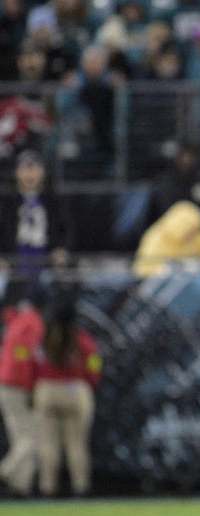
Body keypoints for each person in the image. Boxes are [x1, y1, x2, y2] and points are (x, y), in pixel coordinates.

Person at [31, 296, 101, 497]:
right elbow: (94, 364)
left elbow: (32, 364)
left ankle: (47, 489)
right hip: (76, 390)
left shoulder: (43, 339)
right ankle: (80, 489)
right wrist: (90, 382)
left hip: (46, 390)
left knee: (47, 444)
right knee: (77, 444)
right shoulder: (83, 339)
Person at [0, 285, 45, 496]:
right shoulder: (32, 321)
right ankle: (7, 471)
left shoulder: (18, 319)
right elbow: (28, 355)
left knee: (20, 437)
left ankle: (21, 486)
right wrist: (31, 384)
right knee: (31, 437)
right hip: (16, 384)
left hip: (6, 382)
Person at [0, 149, 71, 277]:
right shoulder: (6, 202)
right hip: (13, 261)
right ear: (16, 173)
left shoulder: (54, 200)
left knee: (63, 279)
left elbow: (67, 229)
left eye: (34, 169)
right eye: (25, 169)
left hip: (47, 261)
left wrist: (61, 250)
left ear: (42, 172)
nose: (29, 175)